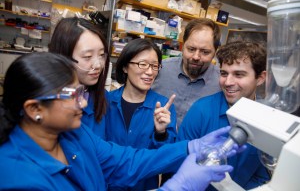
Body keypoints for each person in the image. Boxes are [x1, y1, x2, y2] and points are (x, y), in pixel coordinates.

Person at [0, 52, 238, 190]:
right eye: (72, 96)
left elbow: (128, 161)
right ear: (34, 109)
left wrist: (189, 147)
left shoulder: (74, 135)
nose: (83, 103)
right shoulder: (16, 177)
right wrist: (178, 187)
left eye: (81, 93)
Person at [177, 41, 271, 190]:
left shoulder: (266, 120)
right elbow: (178, 161)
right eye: (224, 73)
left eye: (239, 74)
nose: (228, 82)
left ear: (260, 78)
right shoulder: (201, 110)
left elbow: (262, 174)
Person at [102, 38, 177, 190]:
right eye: (142, 64)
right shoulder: (106, 102)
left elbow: (166, 159)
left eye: (155, 66)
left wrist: (161, 133)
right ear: (125, 67)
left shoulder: (163, 107)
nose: (150, 72)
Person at [152, 18, 222, 127]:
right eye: (191, 49)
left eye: (205, 52)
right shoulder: (160, 68)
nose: (196, 57)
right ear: (182, 46)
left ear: (215, 53)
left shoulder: (222, 83)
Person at [49, 17, 109, 139]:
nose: (98, 65)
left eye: (102, 55)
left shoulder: (102, 97)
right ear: (63, 56)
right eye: (87, 56)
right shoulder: (51, 104)